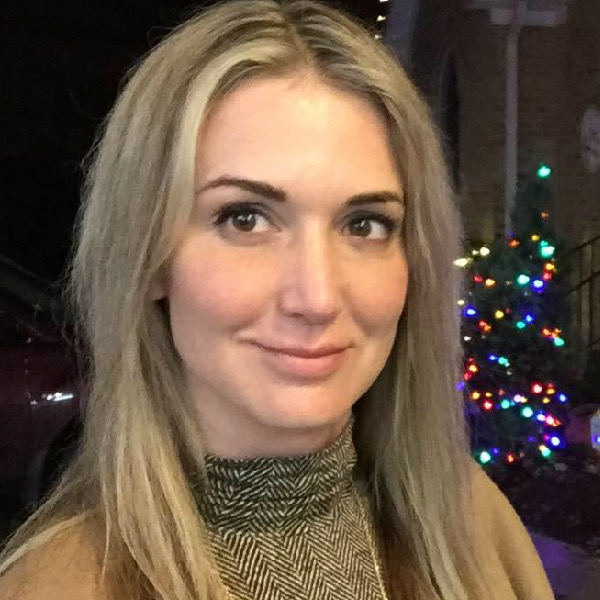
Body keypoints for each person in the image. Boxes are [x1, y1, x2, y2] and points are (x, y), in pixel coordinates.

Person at [0, 1, 554, 599]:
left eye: (364, 224)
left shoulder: (471, 523)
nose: (317, 297)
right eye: (245, 218)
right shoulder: (61, 585)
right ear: (149, 254)